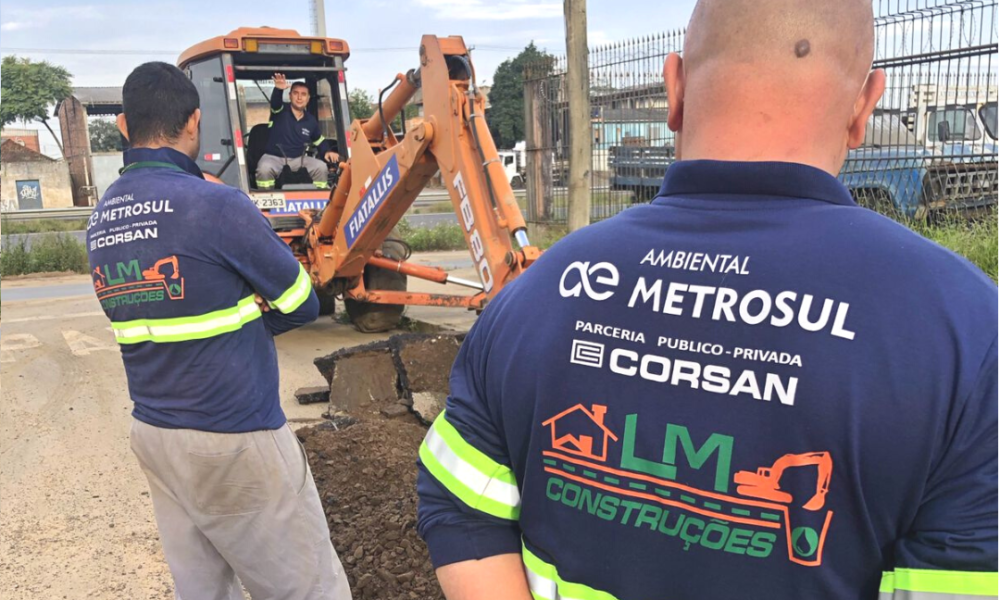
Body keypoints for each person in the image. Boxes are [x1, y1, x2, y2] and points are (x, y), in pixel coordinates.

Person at [415, 1, 998, 599]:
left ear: (675, 89)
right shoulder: (968, 335)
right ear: (864, 106)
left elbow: (459, 503)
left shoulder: (537, 292)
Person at [88, 62, 352, 600]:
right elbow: (303, 302)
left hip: (155, 434)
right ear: (193, 121)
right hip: (235, 434)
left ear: (122, 126)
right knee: (307, 587)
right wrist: (252, 316)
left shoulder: (101, 219)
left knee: (204, 590)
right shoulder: (216, 205)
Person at [256, 73, 339, 190]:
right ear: (290, 96)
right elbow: (275, 103)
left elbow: (319, 140)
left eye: (303, 94)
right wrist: (278, 90)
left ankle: (319, 204)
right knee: (264, 169)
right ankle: (268, 204)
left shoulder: (311, 120)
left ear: (308, 98)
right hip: (274, 158)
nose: (299, 98)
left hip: (298, 159)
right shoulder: (279, 111)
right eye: (296, 93)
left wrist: (327, 151)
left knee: (320, 167)